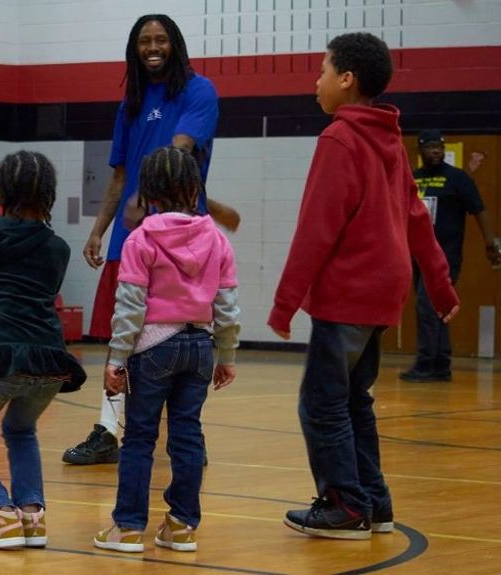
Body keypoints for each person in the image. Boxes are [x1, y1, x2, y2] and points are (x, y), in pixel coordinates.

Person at [268, 33, 459, 540]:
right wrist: (440, 287)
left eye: (323, 70)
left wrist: (285, 303)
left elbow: (316, 227)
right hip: (383, 294)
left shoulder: (339, 138)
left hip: (349, 292)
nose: (317, 80)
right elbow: (418, 219)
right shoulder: (389, 137)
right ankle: (374, 503)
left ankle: (344, 506)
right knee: (355, 399)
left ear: (346, 79)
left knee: (322, 402)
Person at [66, 14, 239, 465]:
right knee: (121, 332)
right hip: (131, 235)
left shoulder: (199, 91)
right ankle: (107, 428)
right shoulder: (131, 102)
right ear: (134, 49)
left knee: (183, 333)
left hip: (182, 236)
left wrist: (145, 194)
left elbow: (179, 147)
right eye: (144, 41)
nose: (153, 47)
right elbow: (119, 173)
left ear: (175, 44)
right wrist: (99, 228)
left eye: (161, 39)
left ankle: (181, 436)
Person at [92, 146, 239, 554]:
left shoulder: (141, 239)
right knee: (188, 436)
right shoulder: (216, 238)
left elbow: (130, 308)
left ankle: (128, 528)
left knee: (139, 438)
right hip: (199, 347)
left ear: (149, 195)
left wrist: (118, 359)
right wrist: (225, 354)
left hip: (154, 347)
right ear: (196, 191)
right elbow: (227, 305)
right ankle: (181, 526)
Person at [0, 151, 86, 549]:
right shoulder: (58, 248)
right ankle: (32, 516)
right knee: (21, 430)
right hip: (49, 360)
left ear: (1, 191)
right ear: (50, 194)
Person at [400, 130, 501, 382]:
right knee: (439, 309)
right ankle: (441, 365)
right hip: (417, 254)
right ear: (420, 150)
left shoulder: (457, 179)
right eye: (430, 147)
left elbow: (480, 211)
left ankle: (425, 364)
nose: (435, 151)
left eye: (439, 147)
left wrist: (490, 245)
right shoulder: (413, 179)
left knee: (427, 306)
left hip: (445, 256)